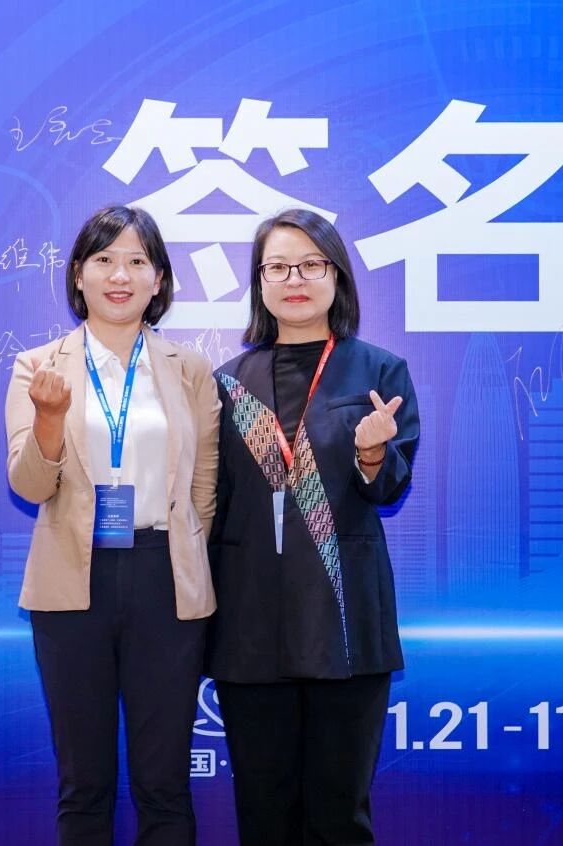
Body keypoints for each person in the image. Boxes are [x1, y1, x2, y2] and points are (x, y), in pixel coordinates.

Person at [4, 205, 220, 846]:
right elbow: (29, 486)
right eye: (104, 260)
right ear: (78, 275)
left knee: (164, 782)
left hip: (165, 578)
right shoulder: (38, 366)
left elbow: (204, 489)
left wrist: (186, 558)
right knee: (84, 782)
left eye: (136, 261)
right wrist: (49, 419)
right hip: (72, 580)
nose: (119, 276)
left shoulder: (189, 368)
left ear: (159, 279)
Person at [208, 208, 419, 845]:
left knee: (339, 814)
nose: (294, 279)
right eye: (277, 267)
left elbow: (389, 488)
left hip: (344, 619)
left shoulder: (379, 373)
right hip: (251, 623)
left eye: (310, 264)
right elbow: (210, 502)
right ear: (259, 282)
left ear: (337, 276)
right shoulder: (226, 383)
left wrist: (372, 452)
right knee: (263, 813)